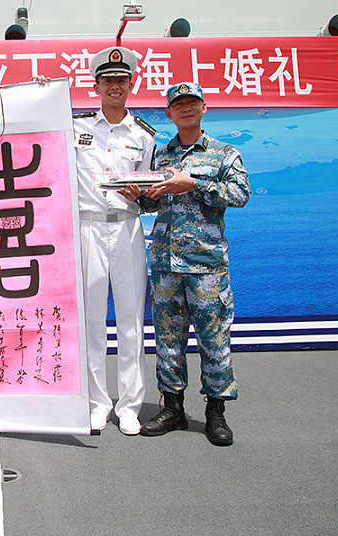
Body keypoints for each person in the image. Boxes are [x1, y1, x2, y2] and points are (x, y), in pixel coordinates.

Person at [127, 82, 250, 446]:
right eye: (178, 105)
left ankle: (216, 412)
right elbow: (153, 206)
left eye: (192, 103)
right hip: (165, 264)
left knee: (214, 340)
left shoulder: (224, 154)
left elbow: (240, 195)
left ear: (203, 108)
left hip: (206, 267)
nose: (185, 109)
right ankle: (173, 409)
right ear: (168, 113)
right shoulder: (160, 158)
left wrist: (192, 183)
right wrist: (139, 196)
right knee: (168, 340)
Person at [68, 47, 157, 434]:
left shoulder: (143, 136)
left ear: (131, 84)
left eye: (122, 80)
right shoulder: (77, 129)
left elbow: (153, 189)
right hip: (88, 226)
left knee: (130, 319)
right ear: (96, 85)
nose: (115, 87)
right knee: (89, 319)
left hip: (127, 228)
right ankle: (96, 402)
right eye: (108, 81)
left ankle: (130, 404)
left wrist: (147, 195)